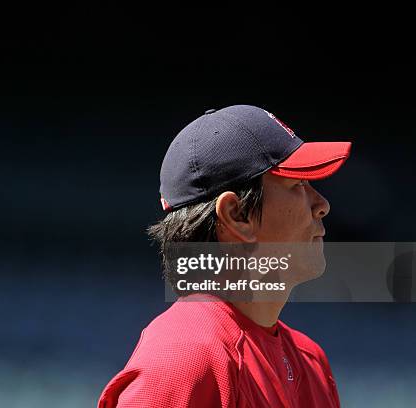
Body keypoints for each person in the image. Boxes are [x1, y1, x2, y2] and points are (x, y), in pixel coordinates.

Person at [97, 105, 351, 407]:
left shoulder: (310, 362)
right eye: (297, 183)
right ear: (236, 214)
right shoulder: (185, 357)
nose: (322, 204)